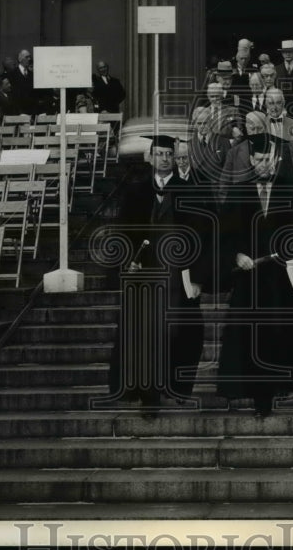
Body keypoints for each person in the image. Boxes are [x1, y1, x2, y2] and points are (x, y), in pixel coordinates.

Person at [217, 132, 293, 417]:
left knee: (279, 334)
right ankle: (256, 394)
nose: (264, 164)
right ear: (251, 159)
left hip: (279, 281)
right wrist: (235, 256)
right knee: (250, 338)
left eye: (268, 159)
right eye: (259, 159)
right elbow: (223, 236)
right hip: (249, 280)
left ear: (275, 159)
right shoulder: (239, 191)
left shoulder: (289, 189)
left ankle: (276, 389)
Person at [107, 135, 209, 414]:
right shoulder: (136, 191)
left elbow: (203, 236)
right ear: (150, 157)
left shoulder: (189, 191)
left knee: (180, 333)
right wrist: (126, 261)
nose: (164, 159)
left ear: (175, 158)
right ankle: (148, 394)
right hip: (144, 275)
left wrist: (199, 277)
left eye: (169, 154)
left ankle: (174, 386)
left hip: (178, 276)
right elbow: (123, 233)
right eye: (159, 154)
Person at [263, 87, 293, 194]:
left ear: (283, 104)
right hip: (268, 182)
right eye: (271, 103)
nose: (274, 107)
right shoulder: (260, 125)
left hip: (292, 181)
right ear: (266, 104)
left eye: (278, 103)